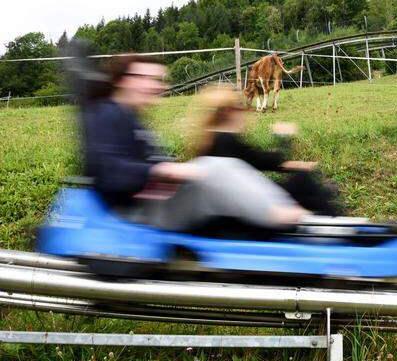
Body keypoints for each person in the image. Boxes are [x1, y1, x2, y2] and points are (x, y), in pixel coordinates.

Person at [81, 55, 310, 232]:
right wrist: (165, 169)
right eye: (150, 79)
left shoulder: (129, 117)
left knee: (216, 167)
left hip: (156, 201)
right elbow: (107, 170)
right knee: (217, 167)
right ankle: (280, 215)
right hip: (138, 212)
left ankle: (281, 211)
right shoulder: (105, 114)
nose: (158, 87)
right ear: (124, 81)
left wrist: (169, 169)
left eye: (159, 80)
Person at [190, 86, 342, 216]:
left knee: (306, 185)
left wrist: (294, 164)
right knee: (302, 181)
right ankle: (336, 226)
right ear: (230, 112)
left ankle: (327, 203)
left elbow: (258, 160)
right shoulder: (226, 140)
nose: (245, 112)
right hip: (248, 206)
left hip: (234, 204)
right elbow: (265, 161)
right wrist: (283, 138)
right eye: (241, 108)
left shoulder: (208, 140)